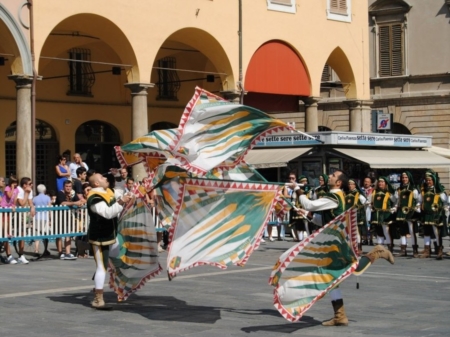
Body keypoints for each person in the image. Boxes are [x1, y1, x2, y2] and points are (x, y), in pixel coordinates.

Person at [289, 170, 394, 326]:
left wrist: (297, 188)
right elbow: (321, 220)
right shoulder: (333, 197)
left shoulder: (334, 196)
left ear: (338, 183)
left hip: (337, 243)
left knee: (352, 269)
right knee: (332, 279)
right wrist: (307, 214)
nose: (329, 176)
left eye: (333, 175)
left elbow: (309, 204)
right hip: (331, 243)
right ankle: (340, 315)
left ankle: (377, 251)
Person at [87, 173, 133, 309]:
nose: (106, 178)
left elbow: (119, 194)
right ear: (96, 184)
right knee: (102, 268)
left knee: (115, 256)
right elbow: (108, 213)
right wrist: (121, 201)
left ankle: (100, 274)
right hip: (100, 237)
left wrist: (132, 194)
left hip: (111, 235)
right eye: (102, 178)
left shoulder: (108, 191)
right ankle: (98, 299)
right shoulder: (93, 198)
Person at [418, 170, 447, 259]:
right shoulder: (424, 190)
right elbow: (419, 200)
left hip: (435, 215)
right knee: (426, 233)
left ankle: (439, 250)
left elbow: (445, 200)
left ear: (433, 180)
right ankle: (427, 250)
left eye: (430, 180)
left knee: (436, 232)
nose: (428, 182)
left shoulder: (439, 190)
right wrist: (419, 206)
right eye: (427, 180)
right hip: (426, 214)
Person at [55, 180, 85, 260]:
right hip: (59, 216)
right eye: (66, 186)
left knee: (68, 233)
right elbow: (62, 203)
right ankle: (60, 253)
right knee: (59, 235)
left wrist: (80, 202)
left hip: (69, 216)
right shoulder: (60, 193)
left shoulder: (73, 193)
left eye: (69, 186)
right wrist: (74, 203)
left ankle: (68, 253)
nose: (68, 188)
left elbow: (78, 201)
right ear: (64, 187)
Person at [394, 171, 421, 257]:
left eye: (406, 178)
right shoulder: (399, 189)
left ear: (409, 179)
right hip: (401, 212)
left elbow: (418, 201)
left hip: (411, 212)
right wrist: (395, 207)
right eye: (403, 178)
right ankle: (403, 249)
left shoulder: (414, 189)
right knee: (402, 231)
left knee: (412, 231)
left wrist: (417, 206)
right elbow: (397, 201)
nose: (404, 179)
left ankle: (415, 250)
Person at [370, 176, 397, 252]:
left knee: (386, 231)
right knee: (378, 231)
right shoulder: (374, 192)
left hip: (385, 214)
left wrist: (394, 208)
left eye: (382, 182)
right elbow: (370, 201)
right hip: (377, 214)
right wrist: (371, 206)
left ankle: (390, 247)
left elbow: (395, 201)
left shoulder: (389, 193)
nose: (380, 183)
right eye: (379, 182)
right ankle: (380, 247)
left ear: (386, 183)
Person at [16, 177, 36, 264]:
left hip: (22, 216)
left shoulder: (29, 191)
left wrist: (32, 207)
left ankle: (21, 254)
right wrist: (26, 193)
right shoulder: (19, 190)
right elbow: (22, 204)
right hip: (15, 214)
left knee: (22, 234)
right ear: (24, 185)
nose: (32, 185)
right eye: (30, 184)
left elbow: (30, 203)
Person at [345, 179, 367, 255]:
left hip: (357, 215)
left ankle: (359, 247)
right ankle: (352, 248)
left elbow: (365, 202)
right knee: (349, 233)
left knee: (357, 232)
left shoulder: (359, 195)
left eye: (352, 184)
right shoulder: (346, 195)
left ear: (355, 185)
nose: (350, 186)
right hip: (348, 216)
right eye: (349, 184)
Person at [0, 176, 18, 264]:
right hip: (2, 211)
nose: (4, 182)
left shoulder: (1, 191)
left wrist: (13, 205)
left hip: (5, 211)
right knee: (4, 233)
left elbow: (13, 199)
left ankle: (9, 255)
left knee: (5, 233)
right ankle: (9, 255)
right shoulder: (7, 190)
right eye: (2, 181)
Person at [32, 184, 52, 256]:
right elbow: (49, 209)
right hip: (45, 218)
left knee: (37, 234)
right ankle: (45, 249)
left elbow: (32, 208)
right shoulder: (47, 198)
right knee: (45, 234)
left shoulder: (35, 198)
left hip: (37, 217)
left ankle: (36, 250)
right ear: (44, 190)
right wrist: (50, 219)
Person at [361, 177, 374, 245]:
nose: (366, 183)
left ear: (370, 183)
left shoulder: (373, 190)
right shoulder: (361, 190)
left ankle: (371, 239)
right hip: (363, 209)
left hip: (370, 209)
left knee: (370, 224)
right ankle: (365, 239)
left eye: (368, 182)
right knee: (364, 223)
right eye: (365, 181)